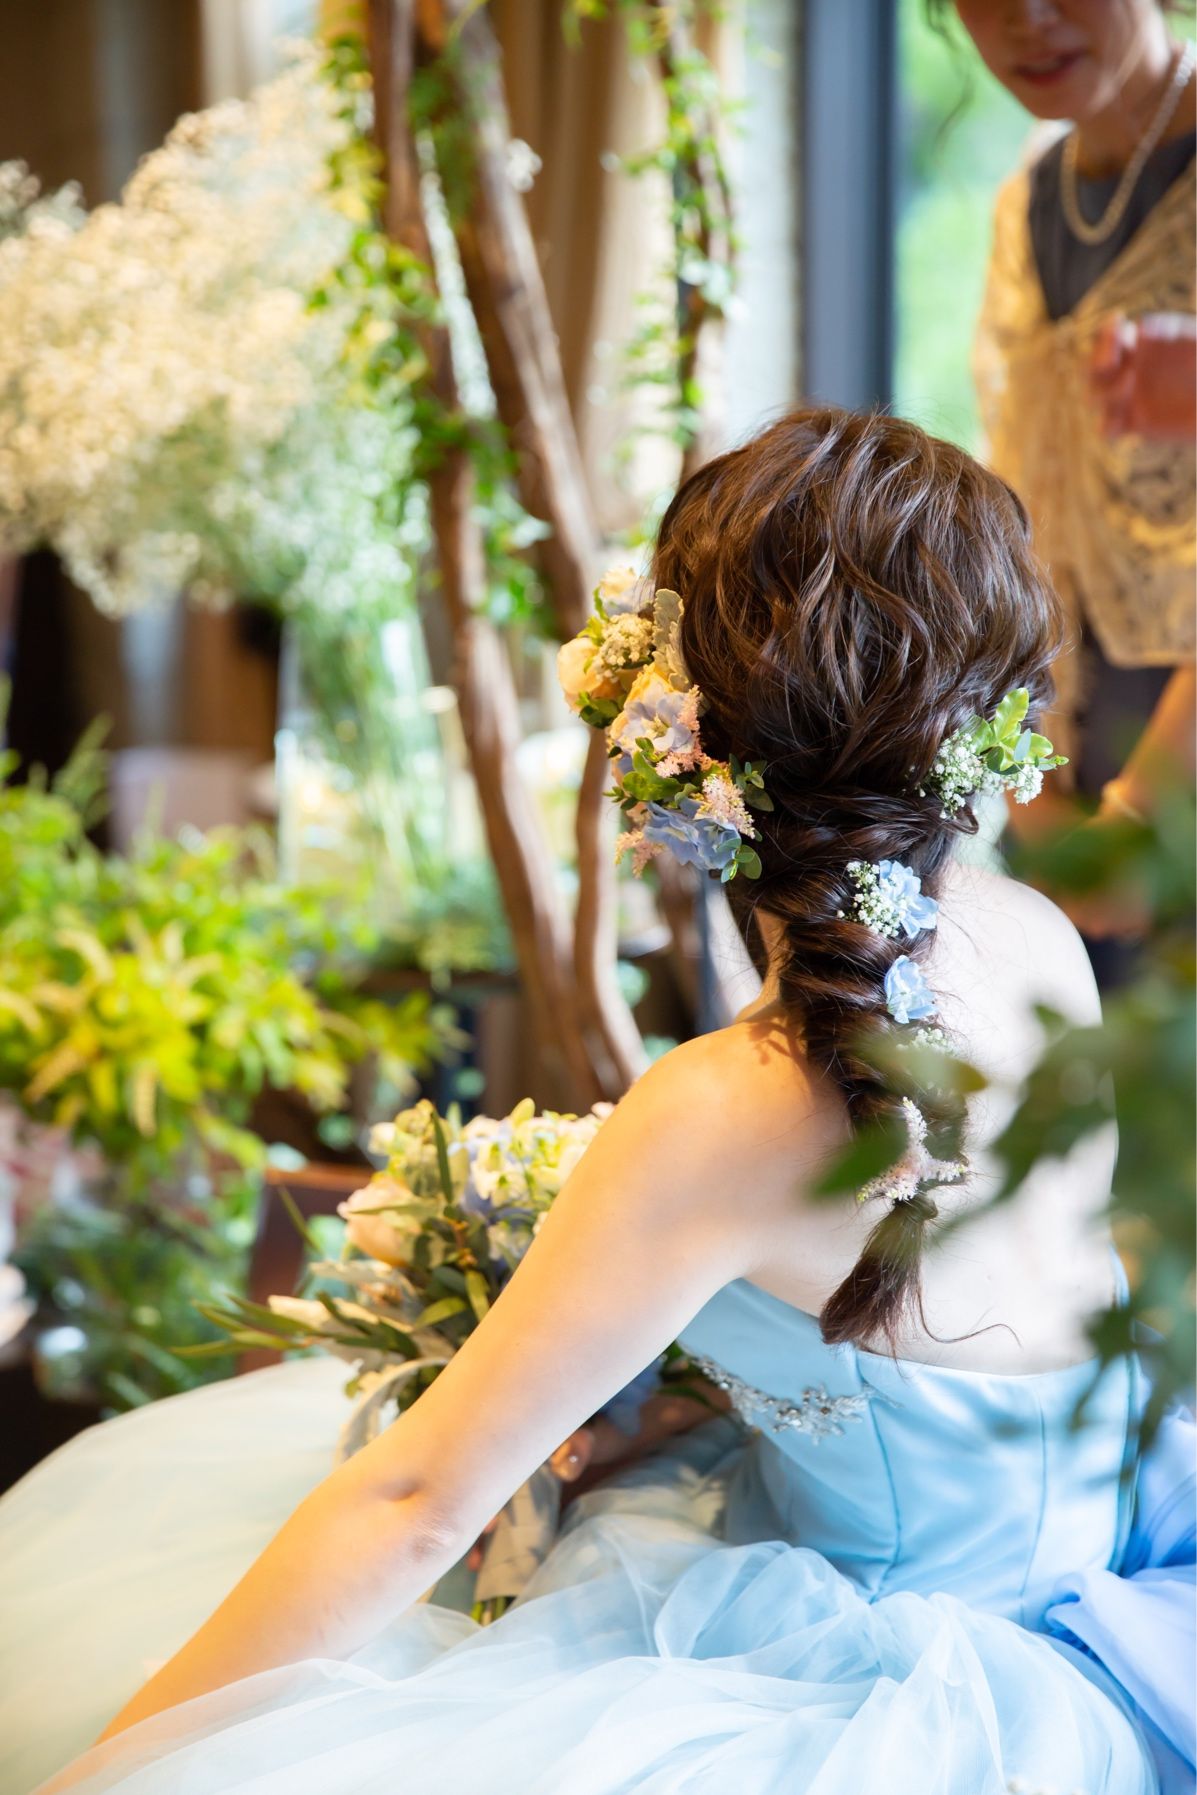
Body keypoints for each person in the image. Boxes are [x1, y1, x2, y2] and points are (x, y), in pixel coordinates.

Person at [0, 409, 1186, 1795]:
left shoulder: (732, 1104)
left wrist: (103, 1772)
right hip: (1099, 1599)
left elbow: (412, 1501)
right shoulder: (1036, 938)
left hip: (893, 1702)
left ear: (681, 729)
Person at [962, 0, 1196, 928]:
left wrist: (1141, 816)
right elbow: (1016, 493)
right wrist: (1028, 791)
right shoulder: (1026, 198)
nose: (1026, 19)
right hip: (1062, 744)